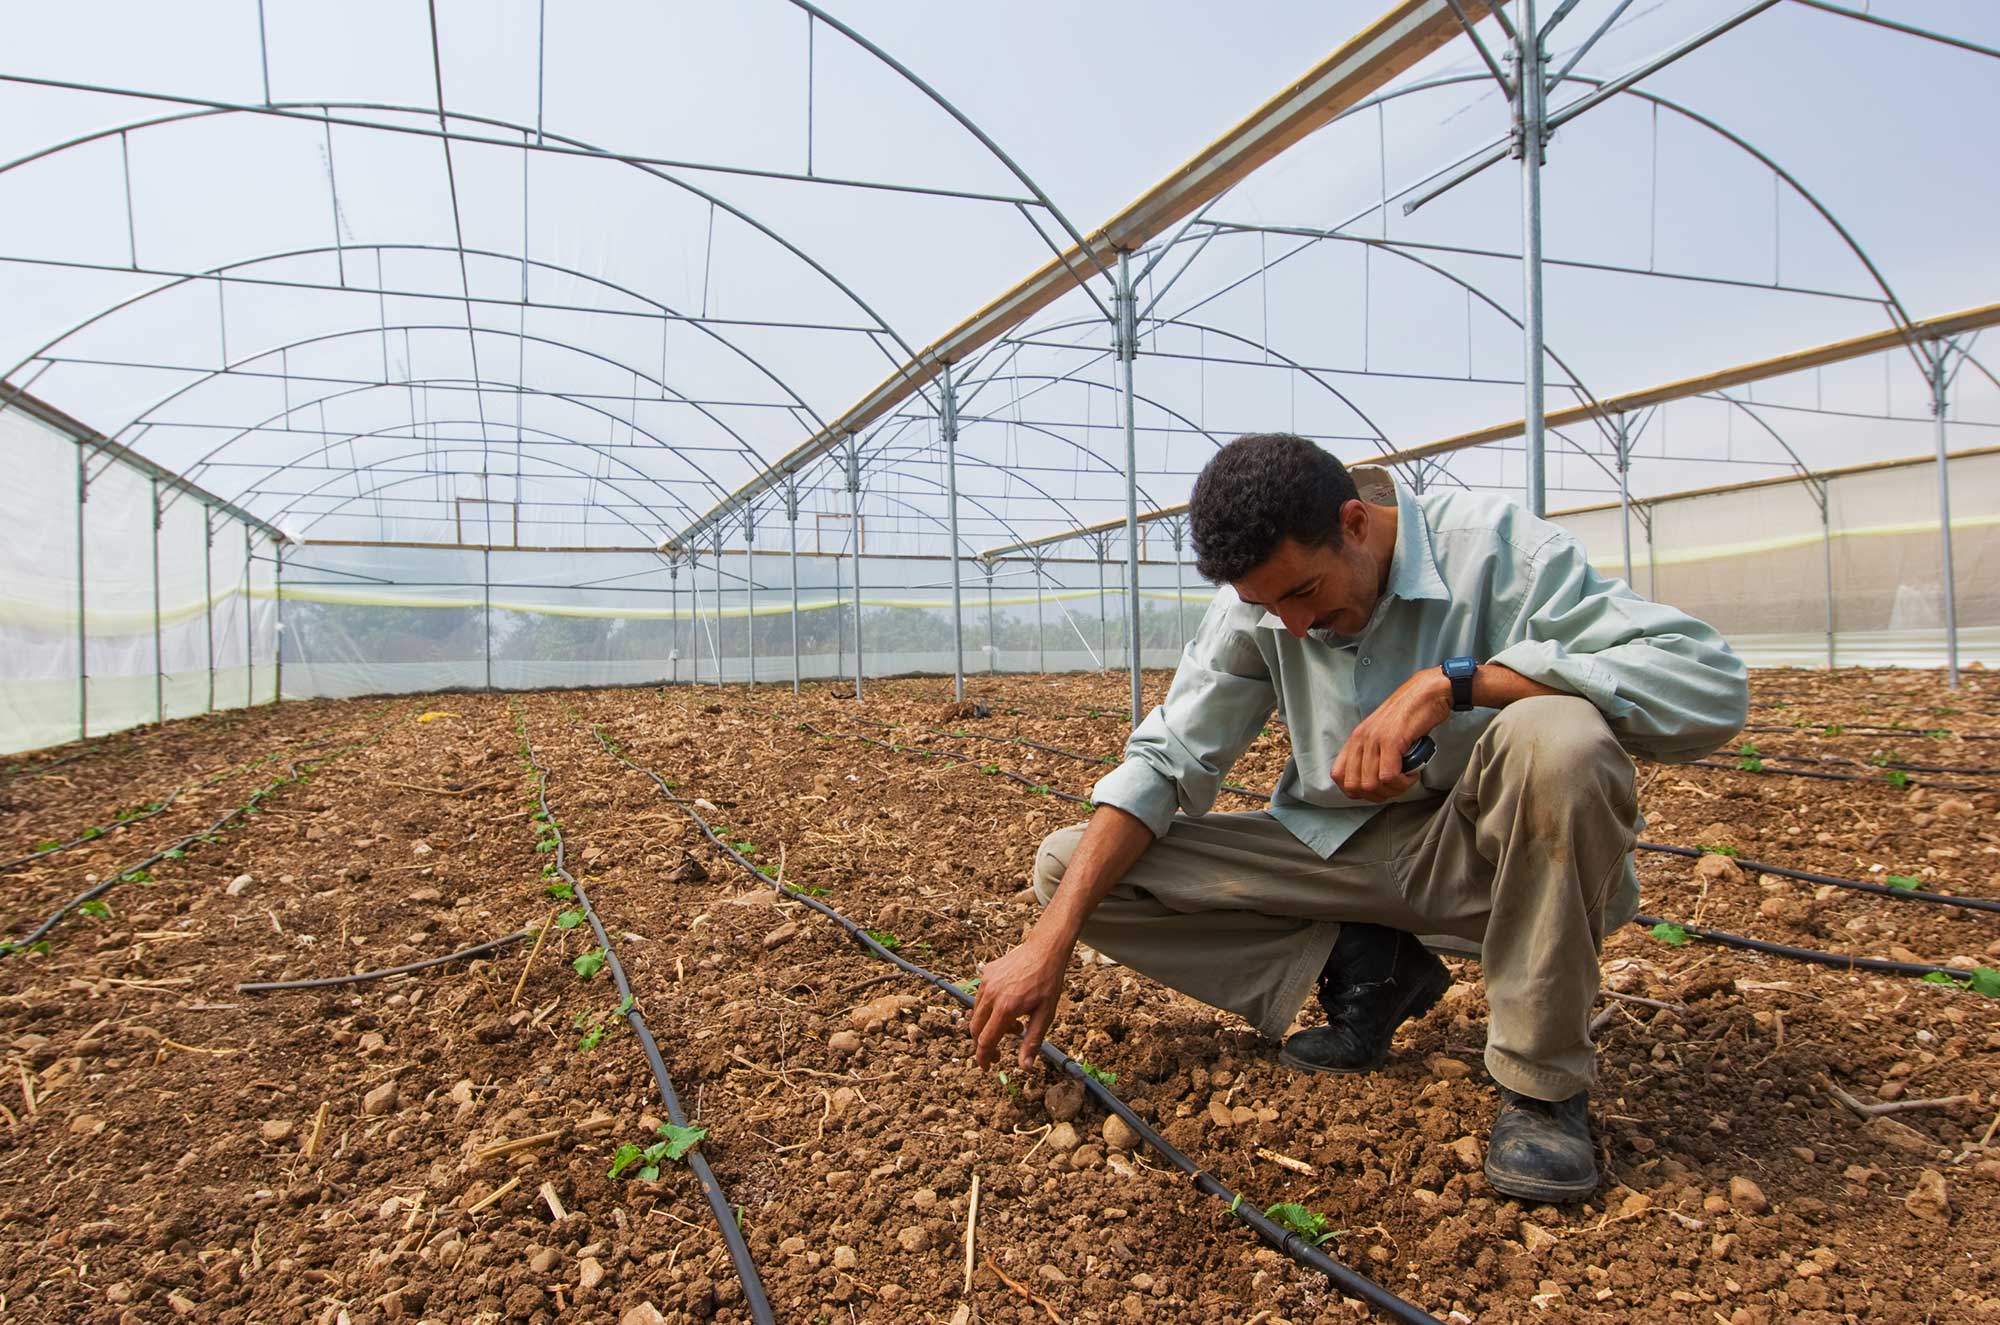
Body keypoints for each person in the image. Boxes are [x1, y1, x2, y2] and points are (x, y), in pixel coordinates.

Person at [968, 433, 1748, 1202]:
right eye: (1267, 606)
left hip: (1491, 863)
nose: (1295, 626)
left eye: (1303, 593)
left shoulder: (1496, 552)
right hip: (1349, 856)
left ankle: (1543, 1089)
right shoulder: (1266, 604)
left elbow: (1707, 683)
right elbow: (1168, 760)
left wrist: (1455, 685)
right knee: (1073, 869)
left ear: (1353, 522)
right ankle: (1368, 965)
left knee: (1563, 737)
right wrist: (1048, 944)